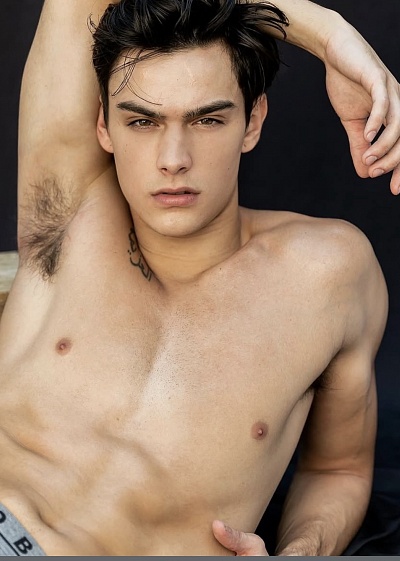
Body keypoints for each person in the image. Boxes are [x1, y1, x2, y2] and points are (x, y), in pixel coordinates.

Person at [0, 0, 398, 556]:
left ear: (252, 121)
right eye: (142, 121)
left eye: (207, 119)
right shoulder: (70, 213)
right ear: (104, 125)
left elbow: (339, 470)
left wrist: (304, 550)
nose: (173, 159)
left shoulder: (329, 272)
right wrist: (328, 35)